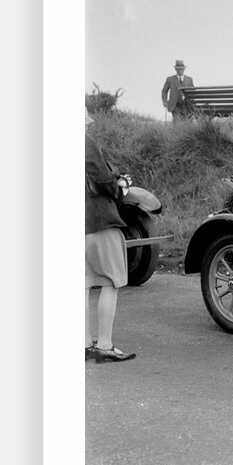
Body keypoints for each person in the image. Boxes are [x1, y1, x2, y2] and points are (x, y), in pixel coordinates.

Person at [85, 113, 136, 364]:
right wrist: (122, 185)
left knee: (82, 284)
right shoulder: (82, 142)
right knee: (111, 281)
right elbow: (104, 180)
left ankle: (82, 344)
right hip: (99, 219)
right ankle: (104, 345)